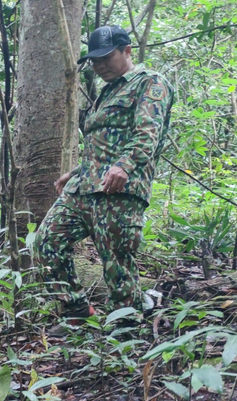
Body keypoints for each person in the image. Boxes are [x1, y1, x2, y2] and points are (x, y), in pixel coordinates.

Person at [35, 25, 174, 330]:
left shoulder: (149, 82)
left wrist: (124, 165)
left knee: (115, 259)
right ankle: (77, 311)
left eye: (106, 58)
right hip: (85, 186)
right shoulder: (108, 92)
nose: (99, 66)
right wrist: (75, 172)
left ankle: (129, 321)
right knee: (47, 240)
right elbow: (101, 143)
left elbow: (148, 133)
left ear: (127, 51)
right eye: (94, 61)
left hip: (120, 188)